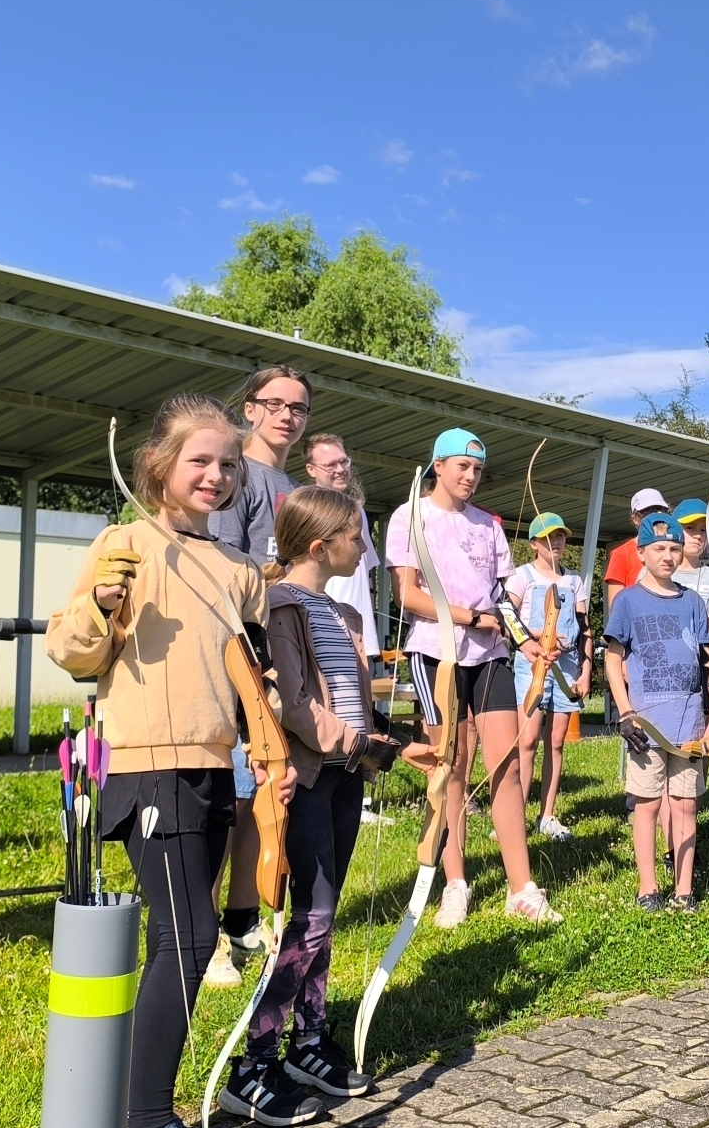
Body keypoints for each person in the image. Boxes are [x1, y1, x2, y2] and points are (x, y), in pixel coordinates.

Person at [46, 393, 301, 1128]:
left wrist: (278, 747)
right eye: (200, 460)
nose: (217, 474)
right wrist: (100, 604)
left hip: (214, 769)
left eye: (229, 464)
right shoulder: (125, 543)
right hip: (145, 764)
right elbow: (73, 651)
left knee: (188, 939)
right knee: (188, 938)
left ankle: (137, 1117)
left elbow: (255, 676)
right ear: (158, 466)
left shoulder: (238, 571)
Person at [222, 487, 411, 1121]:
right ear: (319, 545)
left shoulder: (342, 615)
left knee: (321, 916)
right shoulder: (280, 608)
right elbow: (290, 705)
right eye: (357, 536)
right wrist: (360, 742)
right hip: (306, 779)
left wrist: (389, 740)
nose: (365, 547)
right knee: (312, 915)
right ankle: (255, 1058)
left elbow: (351, 698)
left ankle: (308, 1037)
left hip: (343, 777)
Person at [384, 428, 561, 927]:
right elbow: (409, 596)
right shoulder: (410, 516)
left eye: (478, 470)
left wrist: (527, 637)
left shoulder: (488, 525)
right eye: (462, 466)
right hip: (435, 654)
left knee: (504, 765)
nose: (470, 476)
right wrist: (469, 618)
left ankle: (521, 887)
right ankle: (455, 882)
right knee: (452, 768)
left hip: (491, 656)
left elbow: (503, 599)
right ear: (437, 465)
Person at [206, 365, 312, 988]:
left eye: (298, 408)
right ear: (250, 409)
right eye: (275, 405)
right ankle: (206, 932)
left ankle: (240, 918)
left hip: (274, 652)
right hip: (235, 653)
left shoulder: (289, 484)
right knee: (229, 798)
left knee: (262, 793)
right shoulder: (235, 475)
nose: (287, 417)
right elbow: (218, 565)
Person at [603, 512, 709, 910]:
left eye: (674, 547)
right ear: (641, 553)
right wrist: (625, 712)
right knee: (647, 804)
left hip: (689, 724)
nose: (668, 556)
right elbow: (613, 661)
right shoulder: (628, 602)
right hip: (646, 724)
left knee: (685, 803)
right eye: (658, 549)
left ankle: (684, 889)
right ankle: (648, 887)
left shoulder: (692, 602)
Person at [505, 512, 590, 840]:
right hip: (533, 665)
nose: (555, 543)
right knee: (526, 741)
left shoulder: (574, 580)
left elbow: (584, 628)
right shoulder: (521, 577)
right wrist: (536, 636)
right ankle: (515, 815)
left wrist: (584, 670)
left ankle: (547, 815)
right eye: (548, 538)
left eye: (561, 536)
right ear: (534, 544)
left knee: (556, 742)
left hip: (567, 666)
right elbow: (507, 615)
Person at [298, 433, 380, 659]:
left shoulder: (357, 509)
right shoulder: (306, 510)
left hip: (361, 631)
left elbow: (367, 572)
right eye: (330, 464)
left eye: (344, 461)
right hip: (323, 627)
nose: (341, 469)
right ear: (311, 469)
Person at [602, 488, 669, 618]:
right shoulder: (620, 553)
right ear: (635, 519)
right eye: (647, 511)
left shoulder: (674, 550)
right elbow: (616, 606)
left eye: (659, 510)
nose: (654, 515)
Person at [669, 498, 709, 617]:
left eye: (704, 530)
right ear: (674, 529)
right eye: (690, 528)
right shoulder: (655, 571)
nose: (698, 536)